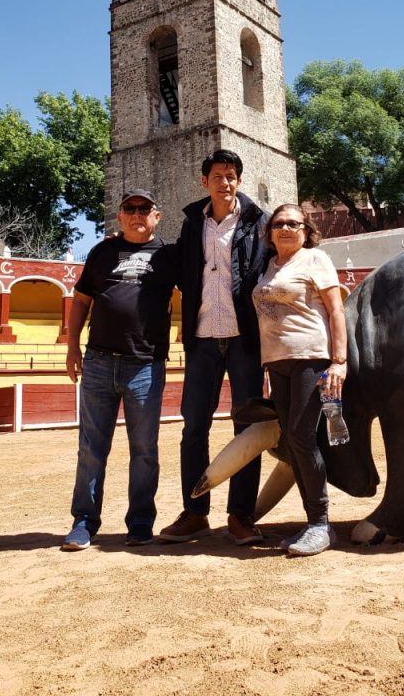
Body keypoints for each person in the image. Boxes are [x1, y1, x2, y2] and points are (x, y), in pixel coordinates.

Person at [158, 150, 269, 545]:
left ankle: (240, 515)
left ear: (239, 181)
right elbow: (178, 273)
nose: (226, 181)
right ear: (204, 181)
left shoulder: (260, 222)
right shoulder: (192, 225)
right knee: (194, 428)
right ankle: (195, 511)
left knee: (248, 429)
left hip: (245, 340)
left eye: (232, 175)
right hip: (202, 338)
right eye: (219, 175)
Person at [61, 188, 178, 551]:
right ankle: (84, 522)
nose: (137, 214)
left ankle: (141, 522)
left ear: (157, 216)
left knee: (144, 449)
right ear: (120, 215)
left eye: (145, 209)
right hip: (98, 360)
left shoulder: (169, 256)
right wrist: (71, 347)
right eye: (131, 208)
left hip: (144, 363)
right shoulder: (102, 252)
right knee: (91, 448)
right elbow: (81, 301)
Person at [252, 203, 347, 557]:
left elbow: (336, 309)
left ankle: (321, 523)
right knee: (293, 440)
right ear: (270, 232)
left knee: (302, 437)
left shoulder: (315, 259)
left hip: (310, 357)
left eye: (294, 223)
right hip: (277, 362)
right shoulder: (270, 266)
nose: (286, 228)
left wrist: (339, 361)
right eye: (279, 224)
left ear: (307, 230)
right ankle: (314, 523)